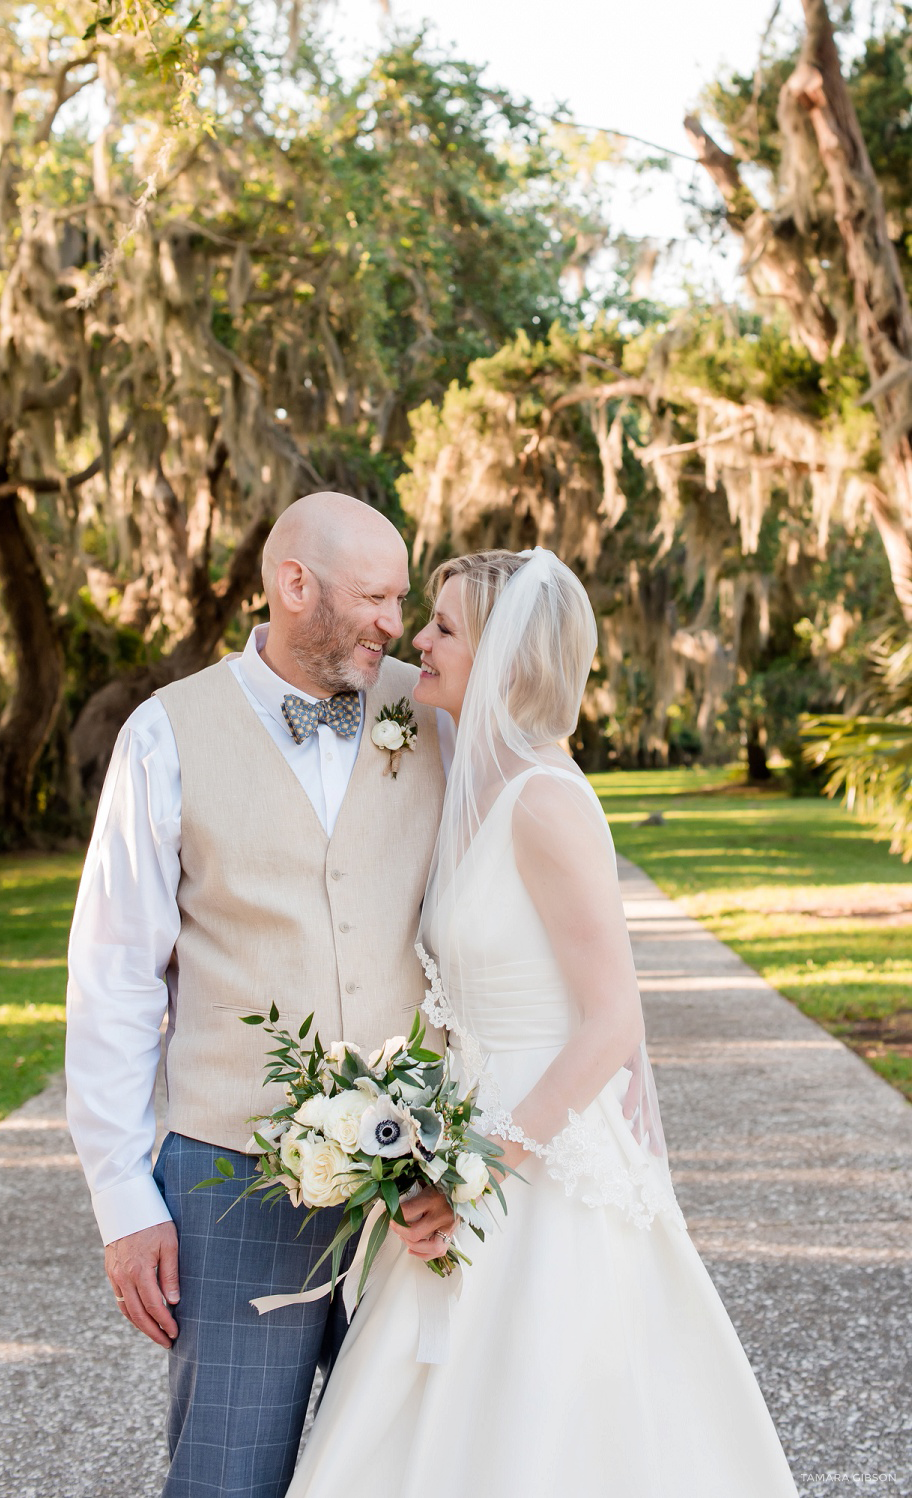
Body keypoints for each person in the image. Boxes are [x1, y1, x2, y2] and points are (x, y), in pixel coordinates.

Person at [287, 547, 799, 1498]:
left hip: (536, 1148)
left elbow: (611, 1021)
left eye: (444, 627)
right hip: (461, 1122)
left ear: (508, 660)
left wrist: (477, 1169)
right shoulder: (463, 774)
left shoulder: (549, 801)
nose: (418, 641)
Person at [65, 491, 456, 1498]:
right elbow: (113, 978)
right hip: (228, 1178)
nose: (393, 621)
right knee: (224, 1477)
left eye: (402, 598)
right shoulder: (166, 734)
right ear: (294, 586)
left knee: (420, 1468)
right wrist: (121, 1199)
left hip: (416, 1181)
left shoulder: (434, 709)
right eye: (373, 596)